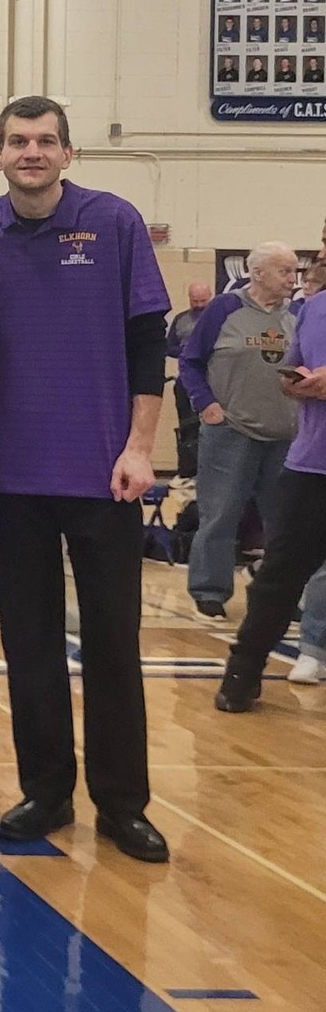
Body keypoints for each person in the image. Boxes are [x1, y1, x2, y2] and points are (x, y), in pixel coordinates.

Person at [0, 96, 171, 863]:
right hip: (7, 471)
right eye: (18, 141)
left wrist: (140, 447)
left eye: (46, 141)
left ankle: (122, 805)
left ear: (68, 154)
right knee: (30, 642)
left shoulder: (113, 221)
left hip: (104, 473)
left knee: (113, 642)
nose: (32, 152)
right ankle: (46, 792)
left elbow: (148, 342)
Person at [218, 273, 326, 712]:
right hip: (310, 465)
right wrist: (293, 384)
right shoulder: (314, 308)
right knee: (278, 577)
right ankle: (243, 671)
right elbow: (292, 367)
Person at [179, 243, 298, 619]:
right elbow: (190, 362)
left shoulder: (296, 315)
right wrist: (206, 404)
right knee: (221, 514)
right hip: (231, 431)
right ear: (257, 272)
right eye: (284, 271)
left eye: (294, 271)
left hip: (285, 436)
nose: (292, 279)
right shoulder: (224, 309)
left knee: (285, 522)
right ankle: (210, 590)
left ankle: (278, 594)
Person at [168, 281, 214, 477]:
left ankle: (211, 471)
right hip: (185, 382)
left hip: (213, 381)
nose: (199, 305)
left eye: (203, 300)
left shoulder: (220, 319)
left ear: (210, 297)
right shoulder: (180, 320)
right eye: (195, 301)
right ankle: (187, 470)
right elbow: (168, 347)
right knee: (187, 426)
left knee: (212, 427)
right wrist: (186, 351)